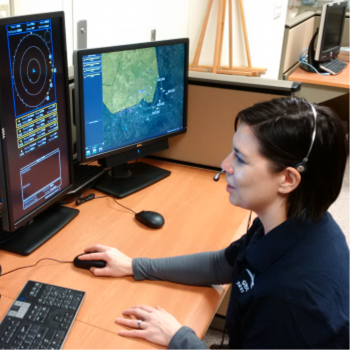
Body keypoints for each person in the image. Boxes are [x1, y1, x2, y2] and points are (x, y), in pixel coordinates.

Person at [79, 97, 350, 349]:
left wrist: (179, 337)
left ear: (288, 179)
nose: (224, 164)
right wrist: (134, 266)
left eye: (241, 159)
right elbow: (222, 264)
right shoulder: (295, 221)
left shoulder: (290, 302)